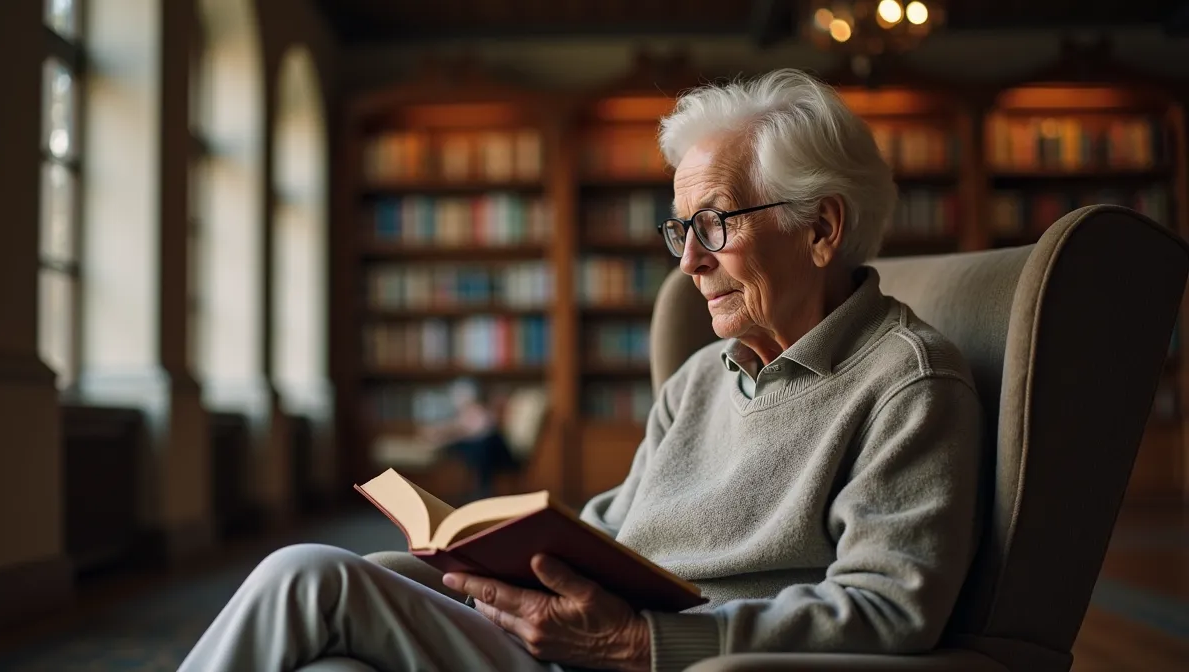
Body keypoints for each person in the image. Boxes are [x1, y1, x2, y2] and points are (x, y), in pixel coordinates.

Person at [178, 69, 983, 672]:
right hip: (573, 639)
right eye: (680, 231)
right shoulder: (701, 378)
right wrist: (478, 558)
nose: (692, 262)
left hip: (656, 661)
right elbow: (616, 530)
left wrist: (647, 642)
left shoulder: (908, 384)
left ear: (821, 227)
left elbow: (889, 609)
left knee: (304, 575)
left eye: (713, 224)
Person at [419, 378, 519, 500]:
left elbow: (481, 429)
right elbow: (450, 432)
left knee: (484, 444)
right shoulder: (458, 416)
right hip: (476, 453)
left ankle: (482, 489)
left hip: (492, 452)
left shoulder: (482, 413)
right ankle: (478, 490)